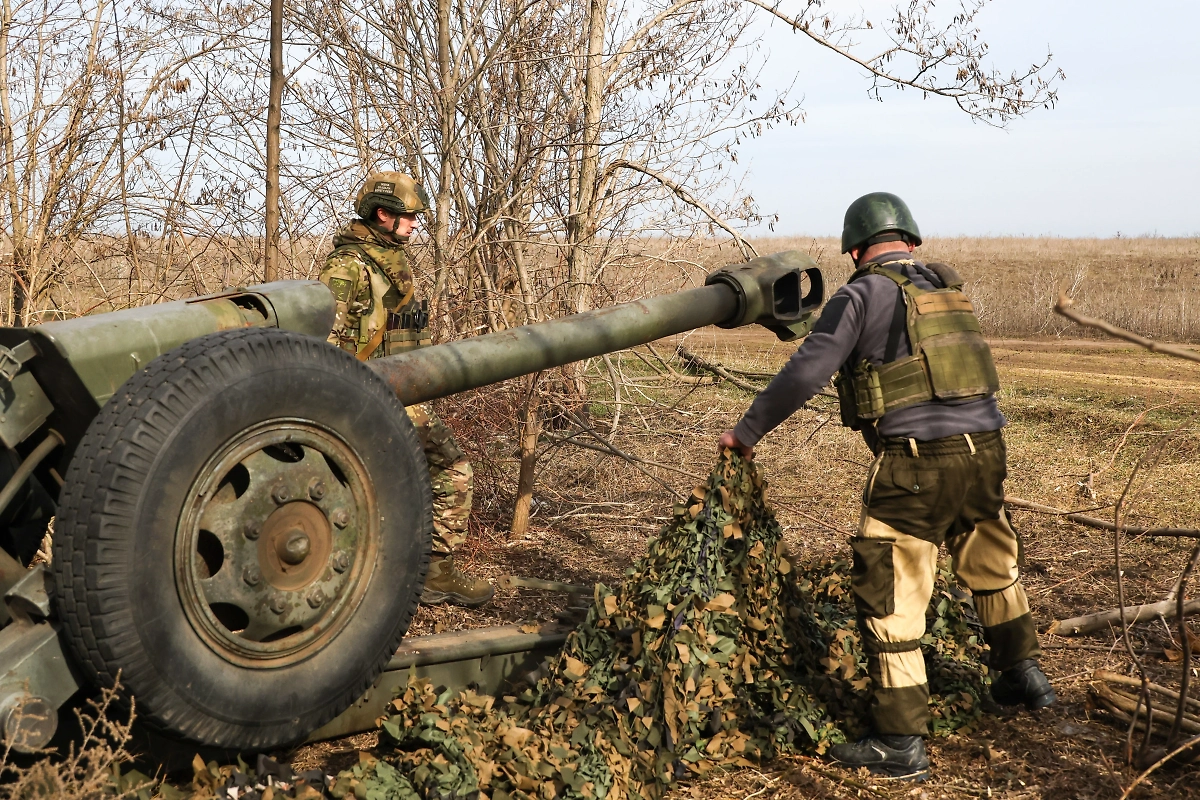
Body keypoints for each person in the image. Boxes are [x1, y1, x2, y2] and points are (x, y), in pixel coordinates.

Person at [718, 192, 1054, 780]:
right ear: (913, 241)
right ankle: (1023, 676)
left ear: (854, 249)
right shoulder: (947, 289)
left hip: (919, 462)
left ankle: (900, 742)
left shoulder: (860, 293)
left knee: (891, 591)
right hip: (988, 450)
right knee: (991, 561)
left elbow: (807, 369)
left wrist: (747, 432)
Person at [320, 171, 494, 608]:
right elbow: (323, 345)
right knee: (453, 470)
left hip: (396, 390)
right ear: (383, 215)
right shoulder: (349, 266)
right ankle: (435, 575)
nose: (416, 224)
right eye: (409, 217)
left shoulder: (385, 257)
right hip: (370, 395)